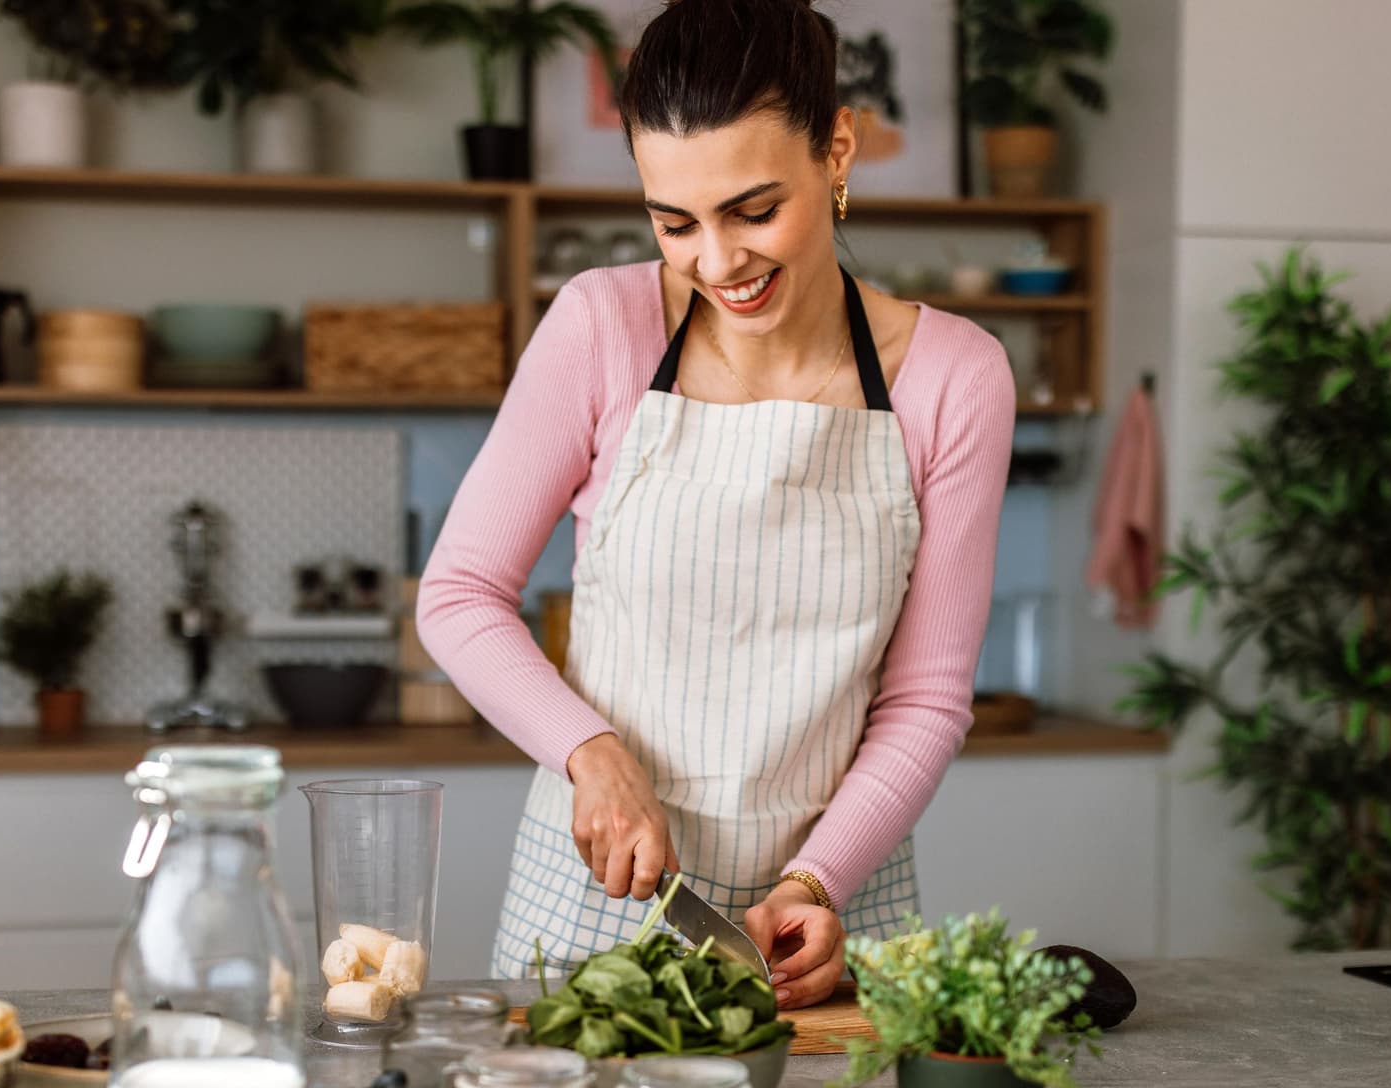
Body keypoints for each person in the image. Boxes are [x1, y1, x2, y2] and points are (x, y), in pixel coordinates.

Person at [416, 0, 1015, 1009]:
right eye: (672, 222)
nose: (715, 261)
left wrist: (816, 881)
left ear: (836, 149)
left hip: (830, 918)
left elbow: (922, 700)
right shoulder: (601, 325)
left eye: (752, 209)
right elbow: (460, 594)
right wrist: (590, 756)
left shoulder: (953, 376)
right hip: (598, 902)